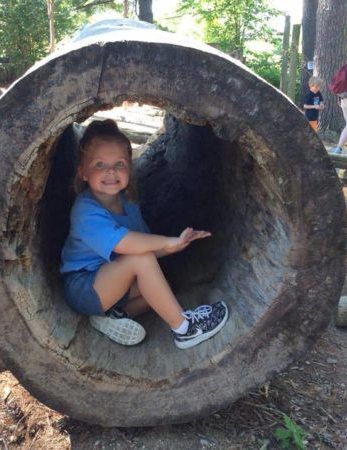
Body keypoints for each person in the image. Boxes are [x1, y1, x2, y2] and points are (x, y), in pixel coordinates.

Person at [60, 119, 229, 348]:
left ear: (130, 167)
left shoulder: (127, 203)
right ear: (83, 172)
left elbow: (144, 246)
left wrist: (177, 244)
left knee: (159, 287)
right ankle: (185, 329)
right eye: (100, 164)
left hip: (110, 283)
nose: (110, 171)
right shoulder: (86, 211)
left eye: (119, 163)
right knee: (142, 261)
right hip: (84, 287)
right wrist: (167, 242)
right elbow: (127, 245)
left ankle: (111, 317)